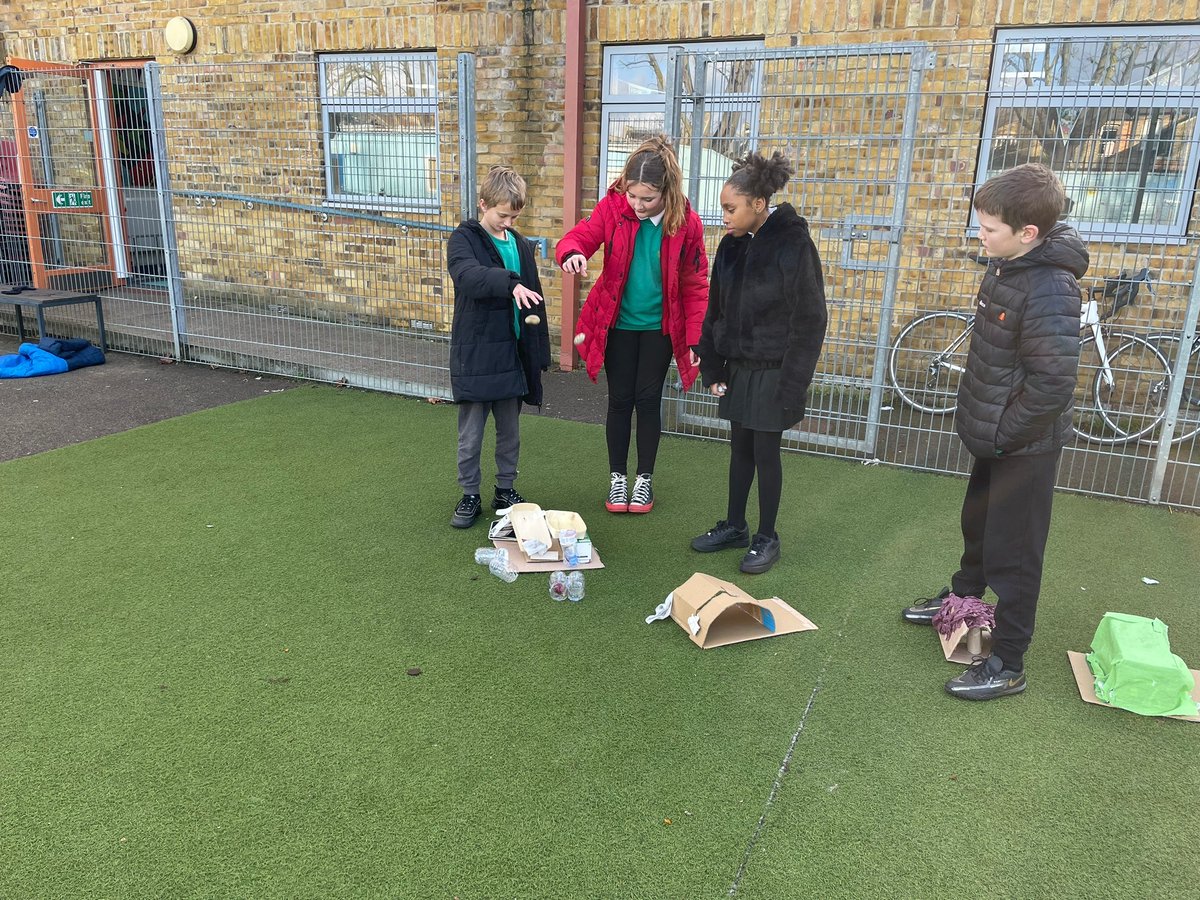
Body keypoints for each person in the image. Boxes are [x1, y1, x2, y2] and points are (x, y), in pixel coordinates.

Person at [901, 163, 1089, 701]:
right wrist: (989, 430)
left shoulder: (1052, 287)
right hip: (996, 435)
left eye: (988, 229)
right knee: (978, 523)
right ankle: (961, 600)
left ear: (1027, 233)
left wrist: (1004, 433)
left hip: (1024, 444)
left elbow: (1053, 385)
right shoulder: (1008, 264)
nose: (979, 236)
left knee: (1015, 553)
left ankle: (1008, 661)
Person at [556, 135, 709, 514]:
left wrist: (697, 339)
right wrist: (572, 254)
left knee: (648, 399)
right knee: (620, 399)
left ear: (666, 192)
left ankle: (644, 479)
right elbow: (580, 236)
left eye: (647, 198)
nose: (638, 205)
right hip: (617, 324)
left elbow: (695, 284)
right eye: (633, 196)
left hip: (659, 328)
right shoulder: (612, 207)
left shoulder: (687, 224)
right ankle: (617, 478)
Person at [691, 151, 827, 575]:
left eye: (731, 209)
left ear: (758, 204)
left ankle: (767, 537)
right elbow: (716, 308)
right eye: (722, 210)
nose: (725, 218)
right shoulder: (731, 246)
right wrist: (712, 369)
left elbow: (811, 318)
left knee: (766, 453)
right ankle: (735, 525)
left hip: (776, 372)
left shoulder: (793, 243)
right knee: (740, 450)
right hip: (740, 370)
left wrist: (793, 386)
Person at [446, 165, 551, 528]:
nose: (507, 221)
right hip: (477, 353)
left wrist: (539, 352)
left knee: (510, 432)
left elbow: (534, 298)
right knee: (471, 434)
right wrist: (509, 283)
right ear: (483, 204)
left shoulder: (520, 243)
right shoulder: (464, 239)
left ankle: (505, 490)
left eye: (514, 215)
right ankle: (470, 494)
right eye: (502, 214)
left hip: (513, 353)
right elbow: (468, 276)